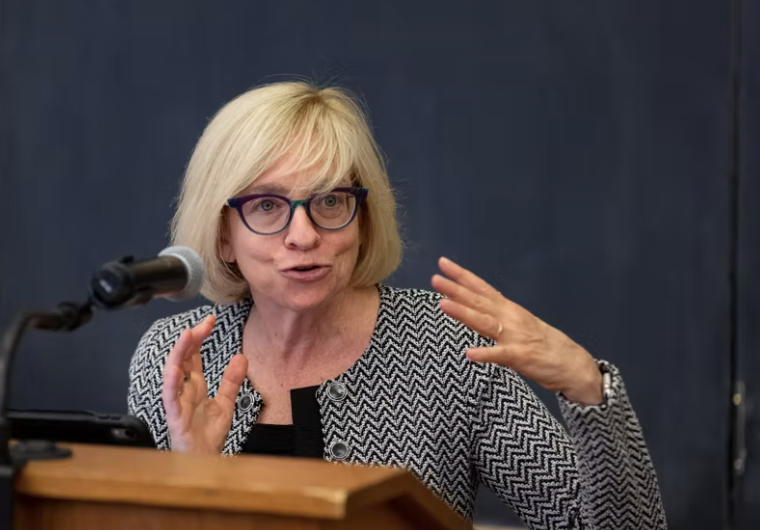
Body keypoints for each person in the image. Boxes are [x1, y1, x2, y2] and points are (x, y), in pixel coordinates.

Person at [128, 81, 667, 529]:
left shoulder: (449, 346)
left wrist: (587, 388)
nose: (303, 235)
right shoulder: (173, 358)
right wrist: (193, 477)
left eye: (331, 201)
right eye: (267, 205)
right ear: (223, 236)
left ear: (363, 220)